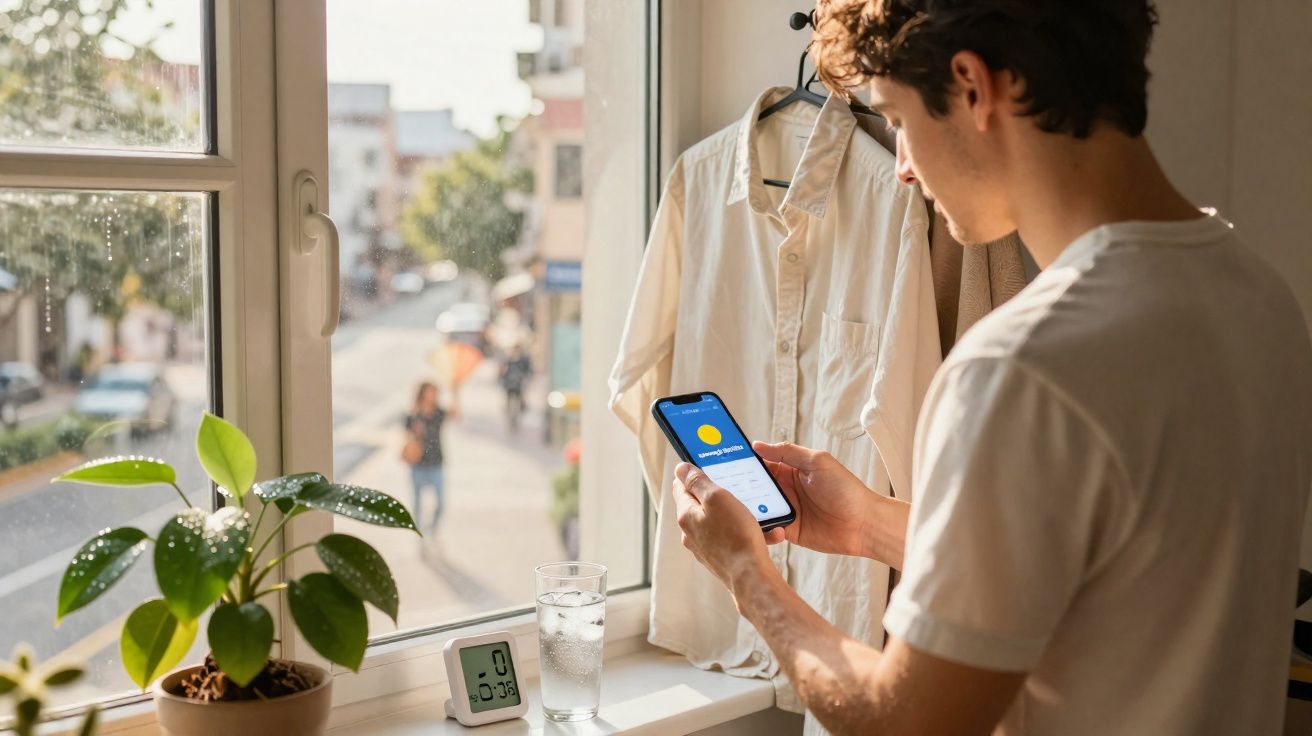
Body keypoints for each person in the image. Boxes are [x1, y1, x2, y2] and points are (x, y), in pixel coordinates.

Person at [669, 2, 1312, 734]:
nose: (903, 168)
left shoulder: (1022, 368)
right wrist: (869, 525)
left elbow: (903, 722)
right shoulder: (1261, 302)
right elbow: (1118, 578)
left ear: (973, 87)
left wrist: (745, 574)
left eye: (899, 120)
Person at [404, 381, 449, 534]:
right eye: (430, 392)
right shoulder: (413, 415)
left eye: (435, 393)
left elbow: (456, 414)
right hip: (418, 464)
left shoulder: (438, 414)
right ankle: (418, 529)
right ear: (422, 394)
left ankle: (433, 528)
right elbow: (407, 435)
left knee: (441, 502)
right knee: (417, 502)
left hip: (436, 462)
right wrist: (416, 426)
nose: (433, 396)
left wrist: (456, 391)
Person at [499, 346, 532, 432]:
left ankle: (516, 416)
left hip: (519, 384)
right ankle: (511, 416)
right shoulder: (509, 360)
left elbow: (529, 372)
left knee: (519, 400)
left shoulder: (524, 361)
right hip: (509, 384)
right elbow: (502, 372)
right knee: (509, 401)